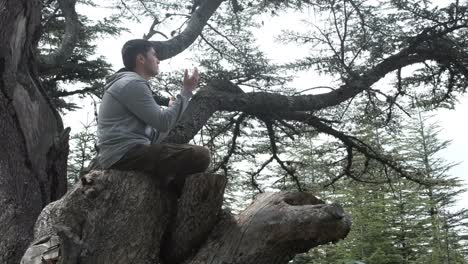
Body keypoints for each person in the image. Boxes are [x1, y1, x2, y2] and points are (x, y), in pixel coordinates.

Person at [95, 39, 210, 189]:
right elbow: (163, 123)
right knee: (200, 155)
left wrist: (173, 109)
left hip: (125, 152)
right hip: (124, 154)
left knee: (195, 153)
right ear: (141, 59)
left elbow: (158, 133)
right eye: (154, 55)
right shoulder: (132, 83)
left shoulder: (130, 83)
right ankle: (169, 196)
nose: (158, 60)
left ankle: (166, 191)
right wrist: (187, 91)